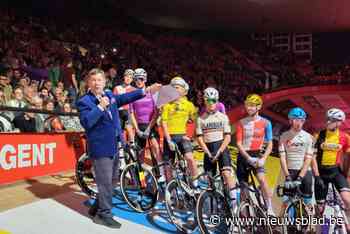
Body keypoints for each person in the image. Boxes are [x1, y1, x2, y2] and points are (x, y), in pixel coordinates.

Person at [77, 68, 161, 229]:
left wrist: (146, 90)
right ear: (88, 82)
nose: (97, 83)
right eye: (93, 80)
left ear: (104, 82)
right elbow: (86, 122)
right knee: (105, 183)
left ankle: (97, 206)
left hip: (115, 145)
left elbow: (125, 97)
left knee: (114, 179)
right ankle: (104, 215)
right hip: (100, 148)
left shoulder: (109, 95)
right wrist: (100, 107)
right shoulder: (84, 101)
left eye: (99, 80)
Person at [196, 87, 237, 208]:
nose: (211, 103)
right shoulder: (200, 119)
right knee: (210, 180)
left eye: (213, 100)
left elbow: (228, 137)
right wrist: (208, 153)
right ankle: (214, 204)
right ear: (205, 101)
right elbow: (199, 139)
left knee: (226, 174)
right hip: (208, 150)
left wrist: (219, 152)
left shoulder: (223, 117)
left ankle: (235, 204)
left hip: (221, 149)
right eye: (208, 100)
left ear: (217, 101)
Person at [235, 94, 274, 216]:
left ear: (258, 107)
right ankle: (244, 215)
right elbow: (238, 143)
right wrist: (248, 158)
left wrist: (263, 158)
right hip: (244, 156)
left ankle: (270, 207)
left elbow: (270, 143)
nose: (249, 108)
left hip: (257, 156)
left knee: (262, 180)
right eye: (247, 105)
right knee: (243, 188)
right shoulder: (241, 122)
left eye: (252, 106)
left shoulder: (266, 123)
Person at [312, 108, 350, 231]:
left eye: (332, 120)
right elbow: (312, 157)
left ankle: (348, 224)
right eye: (328, 119)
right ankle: (317, 231)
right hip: (321, 173)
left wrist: (346, 174)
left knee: (347, 199)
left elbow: (347, 157)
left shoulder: (345, 137)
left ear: (339, 122)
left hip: (336, 172)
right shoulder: (318, 135)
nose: (328, 122)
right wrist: (317, 176)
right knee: (320, 209)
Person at [161, 76, 199, 189]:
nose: (175, 90)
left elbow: (196, 121)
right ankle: (170, 190)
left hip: (182, 137)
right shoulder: (166, 105)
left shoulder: (189, 105)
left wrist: (191, 136)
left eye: (177, 87)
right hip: (170, 137)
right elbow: (164, 123)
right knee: (168, 165)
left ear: (183, 90)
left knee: (190, 158)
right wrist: (168, 140)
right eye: (173, 88)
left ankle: (195, 184)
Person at [129, 68, 164, 182]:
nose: (139, 81)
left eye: (141, 79)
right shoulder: (133, 94)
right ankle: (141, 179)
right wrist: (137, 129)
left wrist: (149, 127)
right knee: (140, 155)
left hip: (151, 125)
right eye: (136, 79)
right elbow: (131, 113)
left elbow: (157, 112)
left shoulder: (152, 92)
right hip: (139, 126)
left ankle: (161, 175)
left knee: (156, 148)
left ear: (145, 79)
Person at [278, 107, 314, 215]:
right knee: (286, 202)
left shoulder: (309, 137)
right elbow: (282, 158)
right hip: (290, 171)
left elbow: (308, 159)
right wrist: (287, 176)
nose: (299, 123)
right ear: (290, 120)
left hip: (305, 172)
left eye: (302, 120)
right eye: (296, 120)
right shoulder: (284, 136)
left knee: (307, 202)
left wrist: (300, 177)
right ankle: (280, 227)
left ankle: (311, 227)